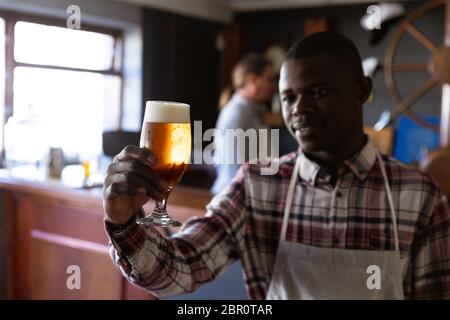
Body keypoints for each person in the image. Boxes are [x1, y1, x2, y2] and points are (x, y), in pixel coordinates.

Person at [103, 32, 450, 299]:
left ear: (362, 90)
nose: (300, 109)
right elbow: (178, 268)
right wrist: (123, 223)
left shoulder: (420, 196)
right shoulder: (257, 185)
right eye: (288, 97)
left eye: (318, 92)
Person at [211, 53, 277, 194]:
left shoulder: (251, 110)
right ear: (253, 80)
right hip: (234, 200)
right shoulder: (239, 114)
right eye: (270, 80)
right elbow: (235, 172)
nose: (274, 86)